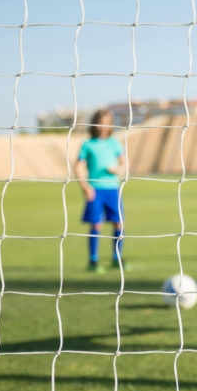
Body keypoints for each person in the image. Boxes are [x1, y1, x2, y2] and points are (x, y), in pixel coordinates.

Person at [75, 109, 131, 274]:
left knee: (119, 223)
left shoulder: (114, 142)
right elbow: (78, 166)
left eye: (107, 123)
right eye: (100, 123)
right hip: (95, 189)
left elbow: (124, 163)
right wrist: (84, 186)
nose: (103, 126)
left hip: (113, 188)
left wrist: (119, 170)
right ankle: (93, 260)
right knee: (96, 224)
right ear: (94, 123)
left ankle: (116, 258)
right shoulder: (87, 144)